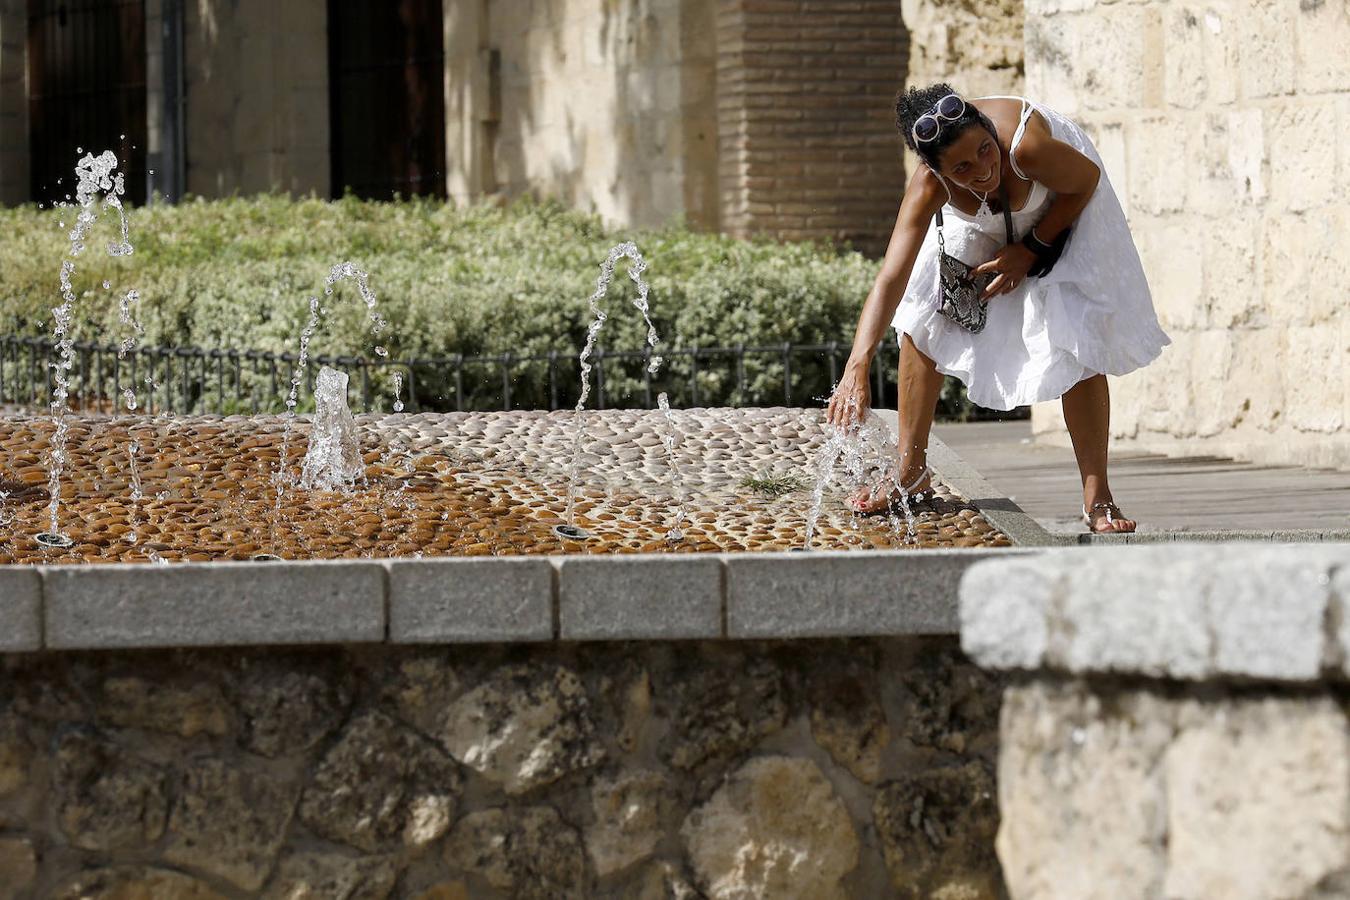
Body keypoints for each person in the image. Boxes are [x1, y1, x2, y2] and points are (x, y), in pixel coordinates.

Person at [826, 83, 1171, 534]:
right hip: (989, 217)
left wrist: (1029, 249)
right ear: (936, 172)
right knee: (922, 311)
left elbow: (1085, 182)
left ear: (990, 131)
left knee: (1075, 331)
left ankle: (1098, 497)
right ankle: (910, 472)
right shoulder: (931, 186)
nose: (984, 169)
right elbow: (891, 277)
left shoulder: (1026, 147)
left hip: (1064, 199)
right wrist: (858, 364)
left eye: (985, 150)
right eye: (963, 168)